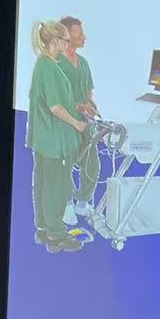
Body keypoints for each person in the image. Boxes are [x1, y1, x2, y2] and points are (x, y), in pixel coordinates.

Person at [26, 20, 90, 253]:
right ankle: (56, 235)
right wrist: (77, 123)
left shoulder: (43, 64)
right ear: (55, 41)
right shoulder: (50, 67)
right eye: (65, 40)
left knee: (43, 183)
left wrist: (78, 106)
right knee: (57, 187)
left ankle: (44, 229)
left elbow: (55, 101)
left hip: (44, 139)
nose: (67, 44)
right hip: (55, 141)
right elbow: (55, 107)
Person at [57, 16, 99, 222]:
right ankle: (66, 205)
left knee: (93, 165)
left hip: (85, 122)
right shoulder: (55, 62)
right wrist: (77, 106)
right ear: (67, 34)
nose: (84, 36)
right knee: (65, 165)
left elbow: (88, 92)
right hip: (64, 123)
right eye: (79, 33)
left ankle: (82, 202)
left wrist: (90, 105)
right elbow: (54, 98)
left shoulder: (83, 63)